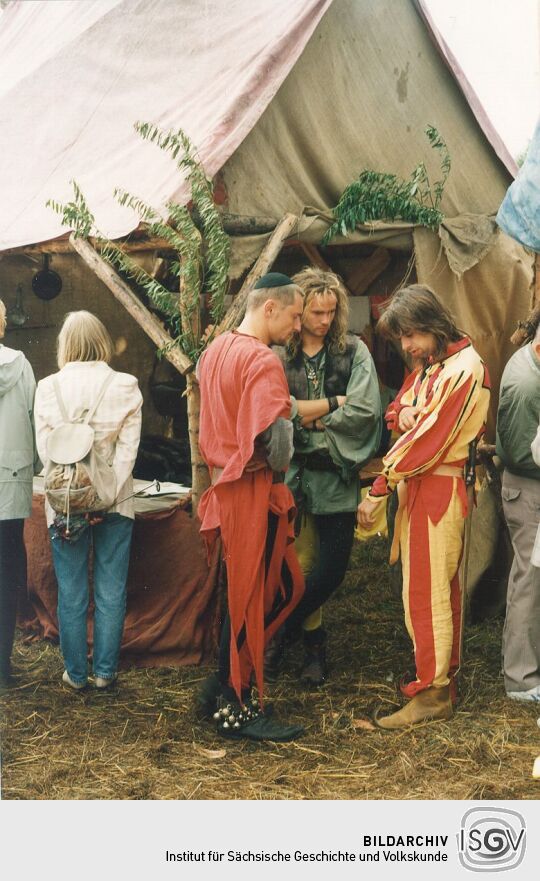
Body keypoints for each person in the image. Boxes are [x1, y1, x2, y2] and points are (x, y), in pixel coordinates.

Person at [358, 284, 490, 729]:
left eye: (412, 334)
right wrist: (402, 416)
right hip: (420, 487)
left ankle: (432, 691)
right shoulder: (434, 365)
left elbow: (428, 443)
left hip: (437, 489)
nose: (407, 345)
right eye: (401, 338)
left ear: (433, 324)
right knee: (429, 590)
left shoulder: (465, 368)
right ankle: (437, 681)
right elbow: (398, 408)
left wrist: (379, 485)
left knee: (427, 594)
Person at [197, 273, 305, 742]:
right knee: (253, 598)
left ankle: (224, 686)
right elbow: (278, 448)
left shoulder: (216, 349)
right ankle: (236, 706)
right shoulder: (263, 361)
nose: (299, 326)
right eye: (296, 315)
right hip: (250, 488)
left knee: (264, 591)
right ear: (270, 309)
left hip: (227, 484)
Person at [268, 267, 381, 685]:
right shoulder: (280, 354)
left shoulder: (354, 351)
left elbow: (366, 409)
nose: (325, 321)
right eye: (316, 312)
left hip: (336, 475)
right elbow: (277, 411)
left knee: (331, 570)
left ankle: (279, 630)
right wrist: (324, 411)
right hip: (293, 477)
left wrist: (309, 422)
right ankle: (311, 646)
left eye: (332, 312)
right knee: (299, 564)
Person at [34, 311, 142, 690]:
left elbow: (46, 453)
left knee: (72, 590)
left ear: (65, 344)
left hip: (65, 504)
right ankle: (106, 673)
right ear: (102, 341)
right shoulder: (126, 385)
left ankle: (76, 674)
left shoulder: (48, 388)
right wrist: (105, 498)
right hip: (115, 503)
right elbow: (128, 456)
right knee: (111, 589)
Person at [496, 321, 540, 701]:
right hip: (529, 489)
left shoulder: (533, 362)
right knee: (529, 578)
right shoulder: (527, 384)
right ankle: (521, 679)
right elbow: (519, 453)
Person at [0, 300, 38, 687]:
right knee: (6, 573)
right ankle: (2, 665)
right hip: (9, 478)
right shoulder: (20, 365)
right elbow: (32, 414)